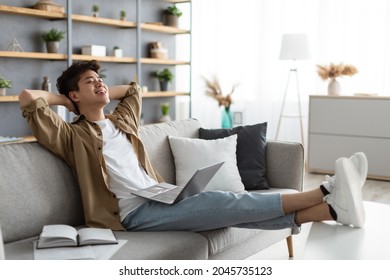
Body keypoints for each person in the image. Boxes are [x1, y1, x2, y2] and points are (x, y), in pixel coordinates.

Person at [19, 60, 367, 234]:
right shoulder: (71, 135)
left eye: (101, 80)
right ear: (75, 95)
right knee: (222, 201)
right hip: (131, 215)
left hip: (162, 195)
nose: (100, 84)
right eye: (90, 82)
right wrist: (65, 101)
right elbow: (28, 99)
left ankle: (334, 212)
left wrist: (94, 86)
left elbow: (136, 90)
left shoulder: (121, 122)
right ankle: (326, 190)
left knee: (227, 213)